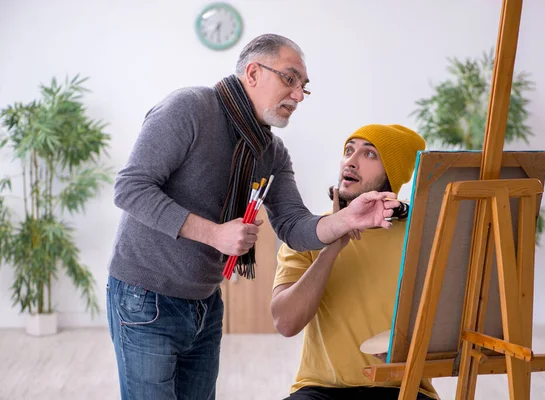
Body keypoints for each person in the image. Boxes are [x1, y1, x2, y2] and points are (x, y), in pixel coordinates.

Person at [106, 34, 400, 400]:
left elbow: (294, 226)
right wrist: (214, 234)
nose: (297, 95)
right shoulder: (189, 108)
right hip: (145, 296)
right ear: (253, 72)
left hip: (205, 301)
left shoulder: (272, 152)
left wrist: (347, 219)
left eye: (303, 87)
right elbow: (130, 188)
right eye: (289, 79)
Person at [271, 124, 439, 400]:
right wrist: (331, 247)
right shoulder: (306, 234)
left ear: (392, 173)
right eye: (349, 150)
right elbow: (285, 323)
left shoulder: (424, 236)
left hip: (402, 390)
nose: (351, 160)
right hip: (320, 389)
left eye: (369, 154)